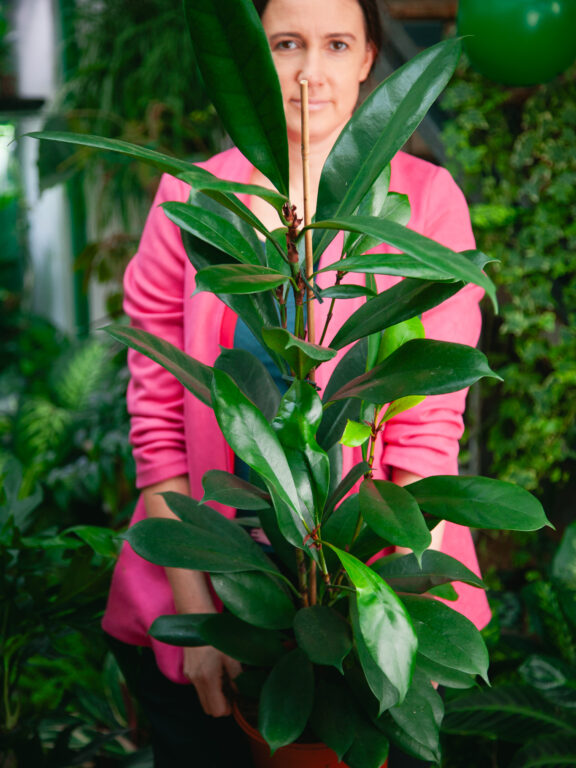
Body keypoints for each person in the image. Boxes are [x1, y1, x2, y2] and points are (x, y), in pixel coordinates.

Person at [102, 0, 491, 765]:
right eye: (285, 44)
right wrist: (201, 627)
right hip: (203, 583)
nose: (310, 73)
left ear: (368, 57)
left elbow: (426, 430)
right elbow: (158, 430)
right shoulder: (194, 201)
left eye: (335, 43)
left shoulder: (428, 203)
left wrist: (391, 631)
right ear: (251, 57)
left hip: (378, 594)